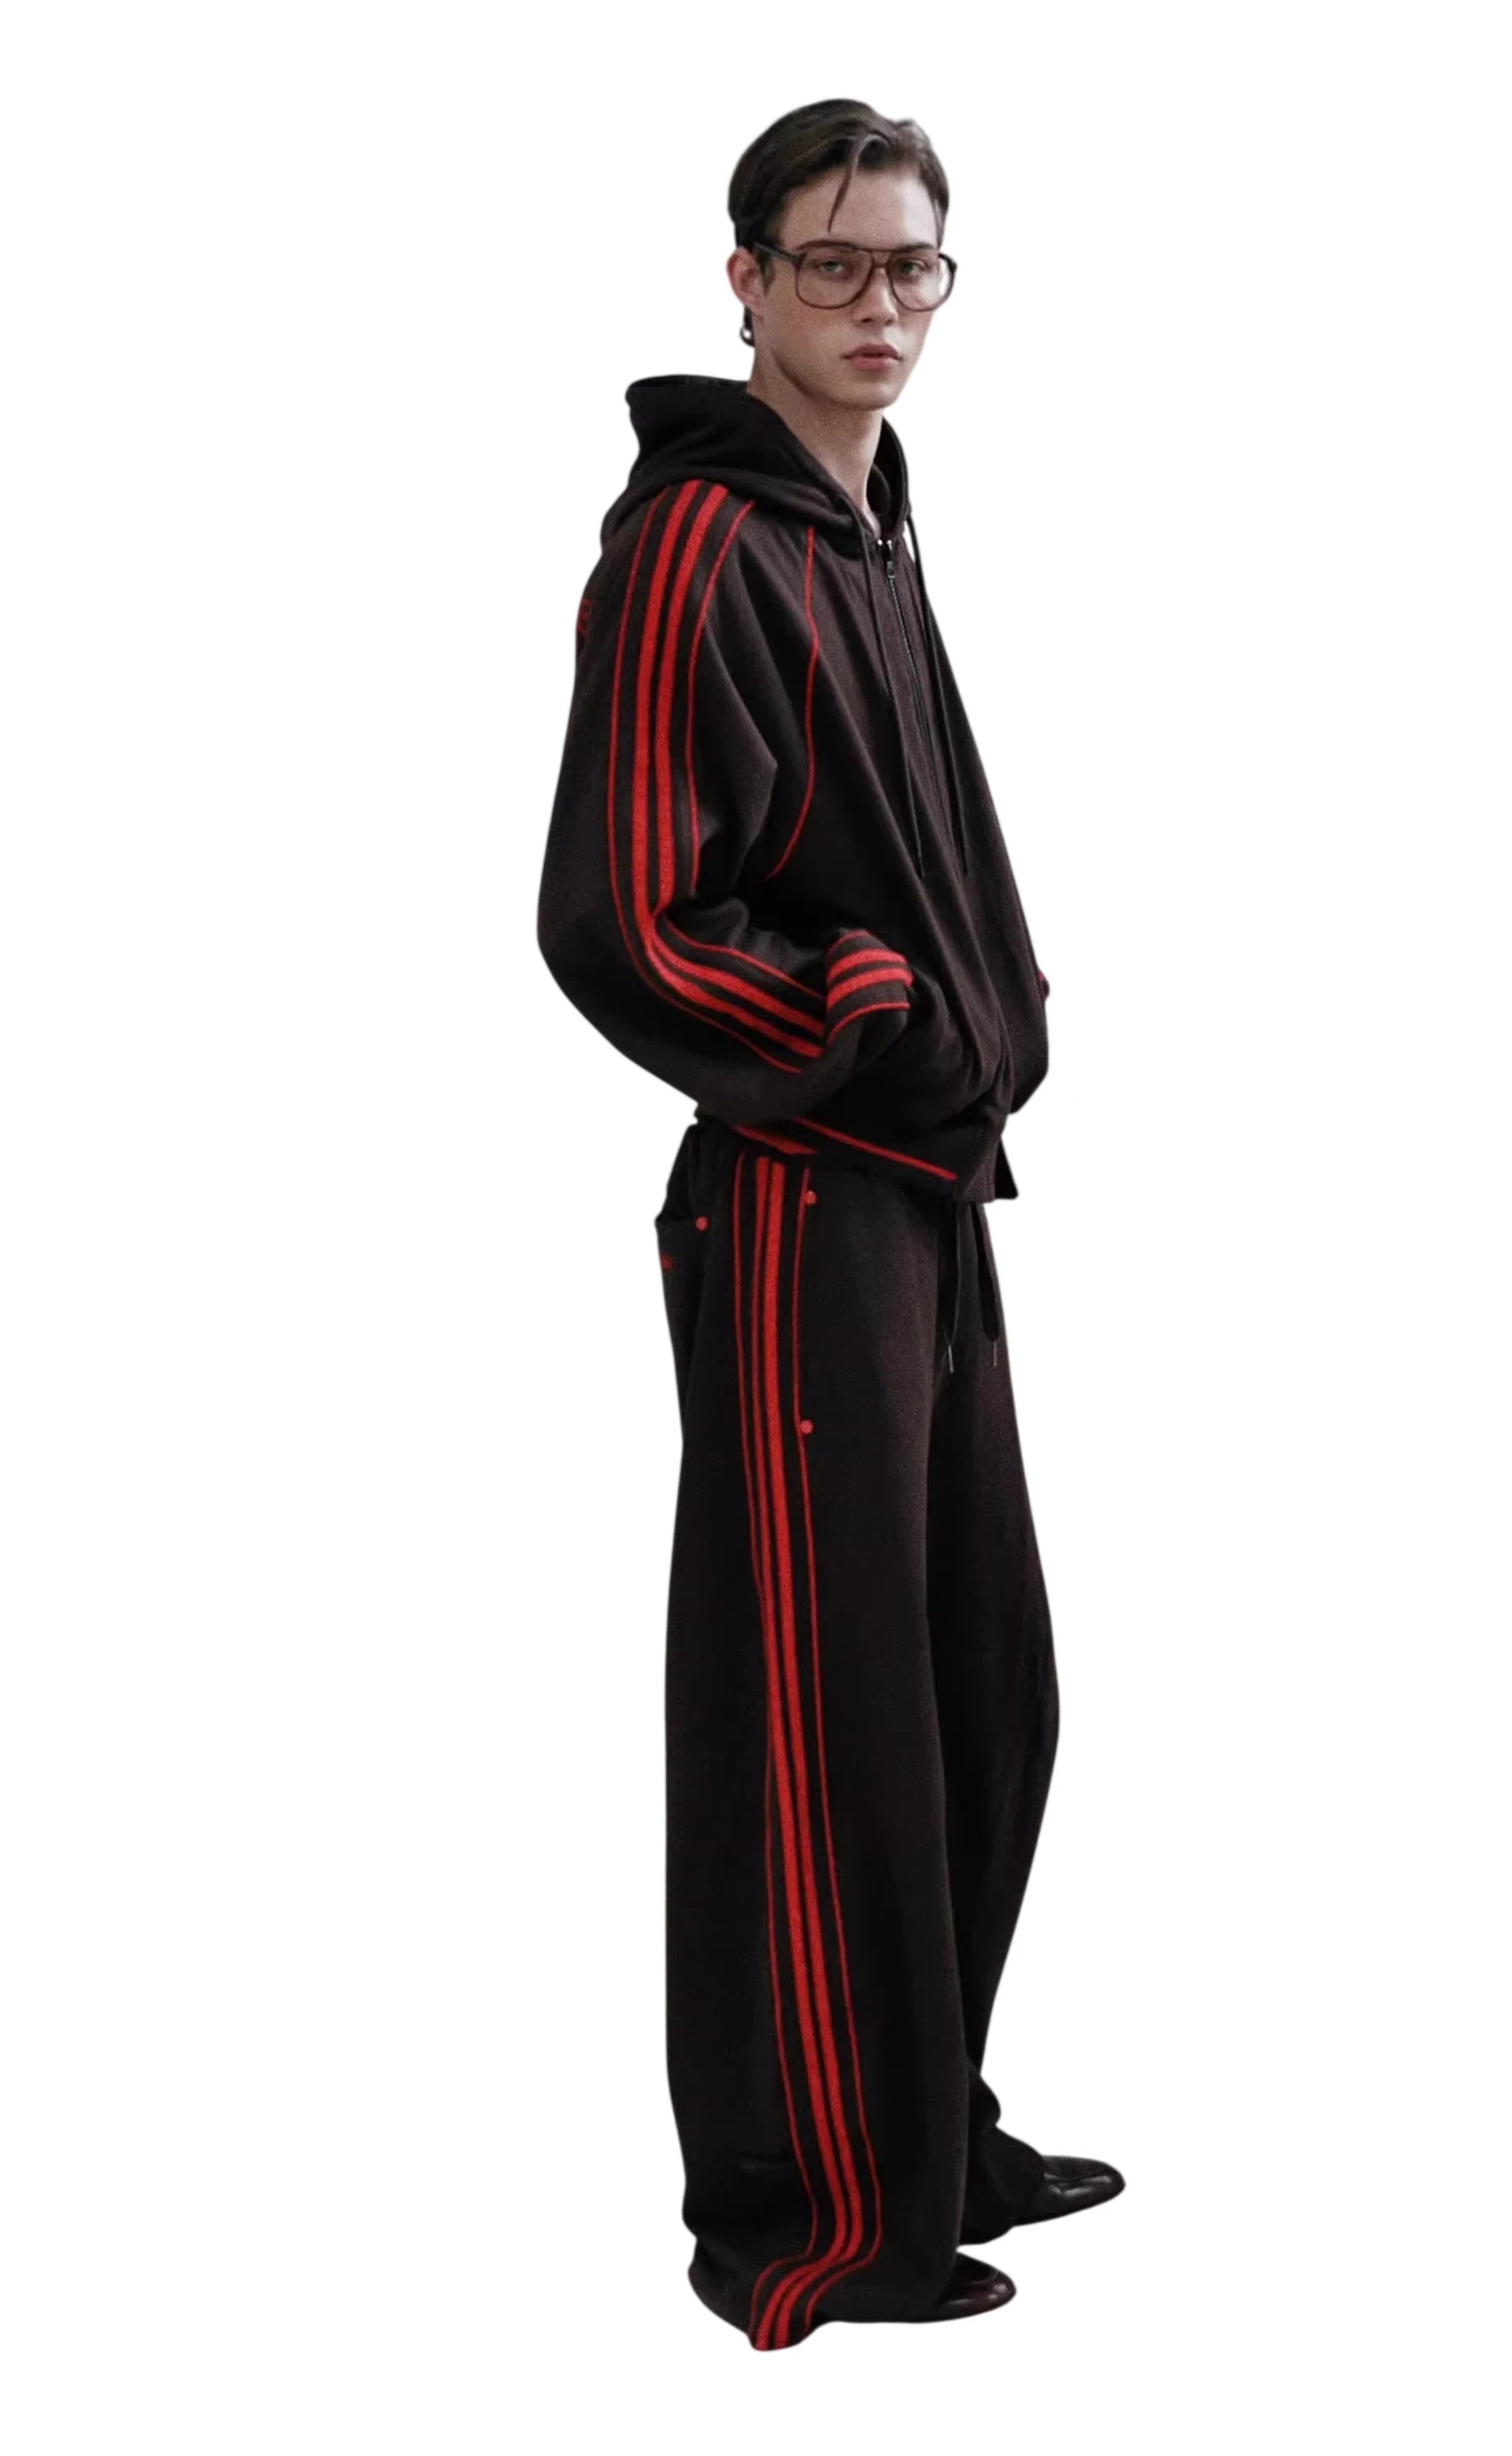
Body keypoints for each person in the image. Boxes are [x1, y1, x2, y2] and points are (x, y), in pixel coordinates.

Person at [536, 98, 1122, 2349]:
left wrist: (981, 1011)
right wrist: (857, 1009)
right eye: (833, 264)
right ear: (746, 282)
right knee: (820, 1710)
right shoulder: (698, 540)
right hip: (796, 1200)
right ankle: (807, 2211)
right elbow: (619, 911)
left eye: (912, 267)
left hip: (918, 1190)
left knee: (979, 1685)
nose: (880, 306)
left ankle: (920, 2127)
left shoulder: (866, 521)